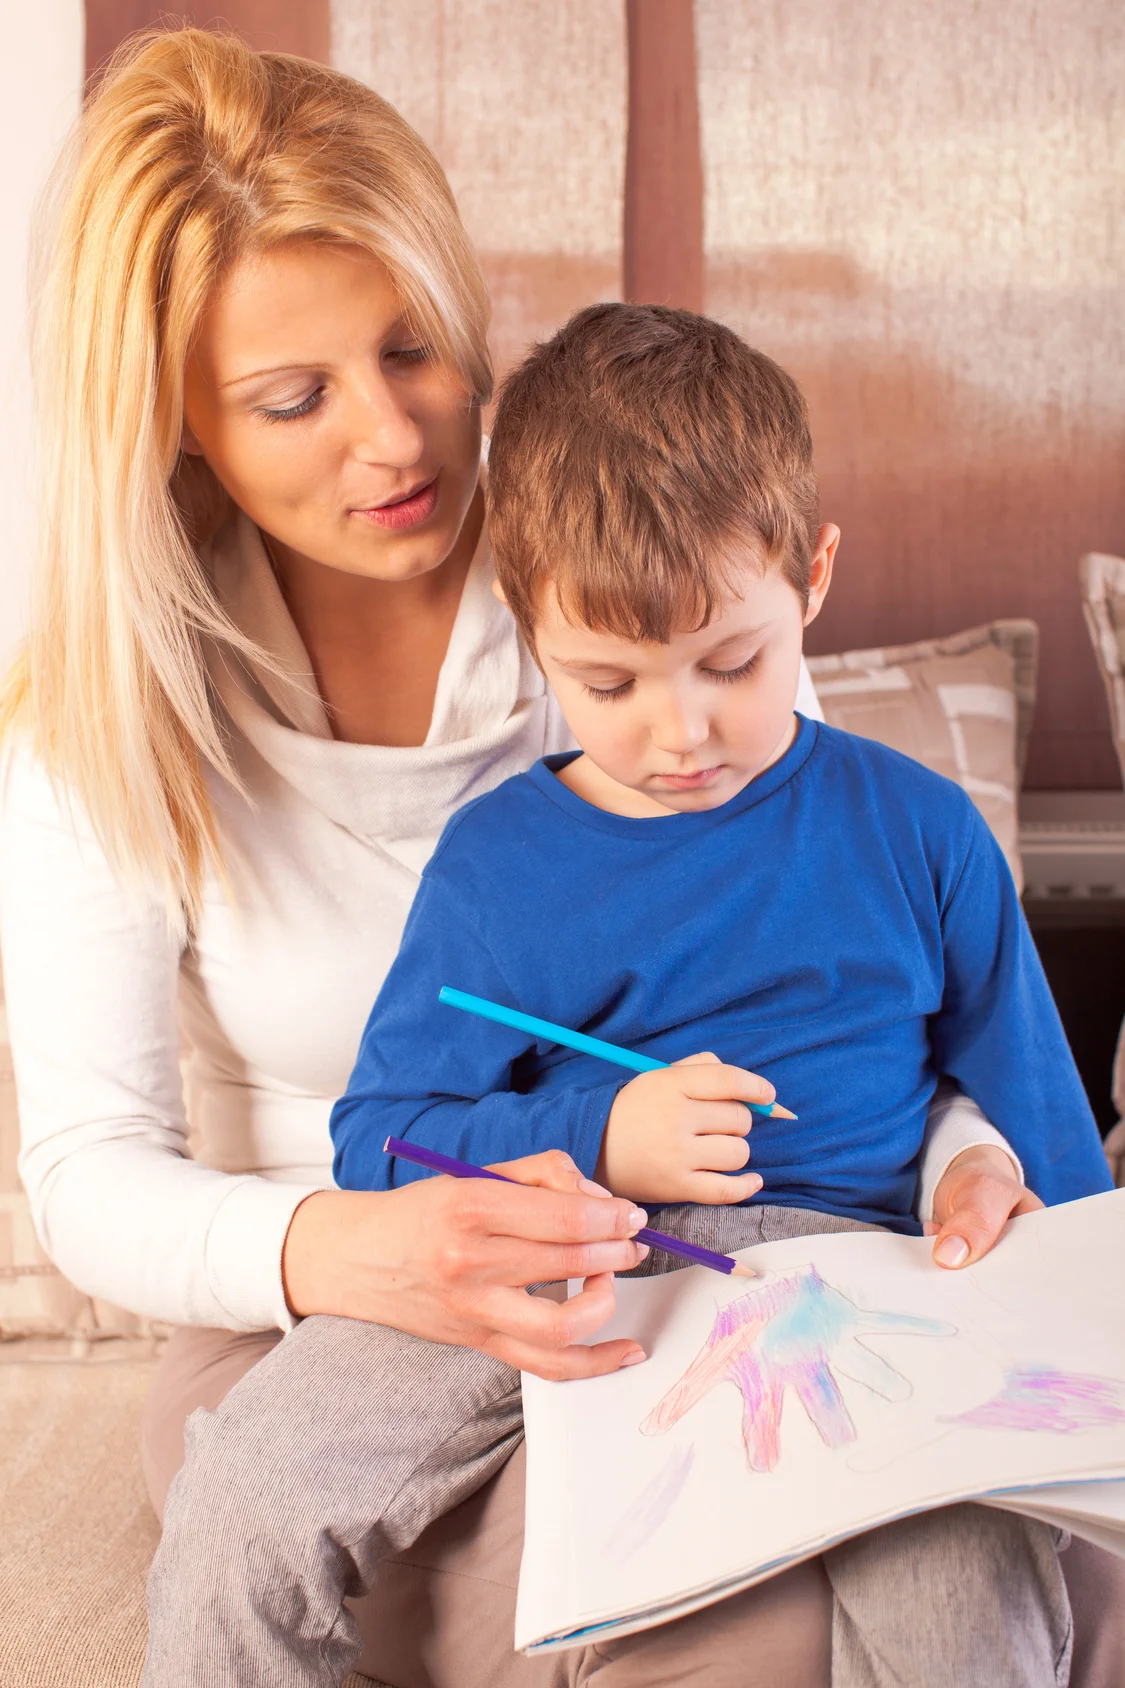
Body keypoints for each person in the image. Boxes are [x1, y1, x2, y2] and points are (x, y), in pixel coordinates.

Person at [0, 25, 1113, 1688]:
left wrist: (966, 1159)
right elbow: (130, 1166)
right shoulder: (146, 737)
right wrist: (370, 1238)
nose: (396, 440)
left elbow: (928, 1032)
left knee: (920, 1583)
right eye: (296, 396)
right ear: (176, 421)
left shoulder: (635, 580)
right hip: (350, 1280)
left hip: (777, 1252)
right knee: (682, 1621)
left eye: (415, 349)